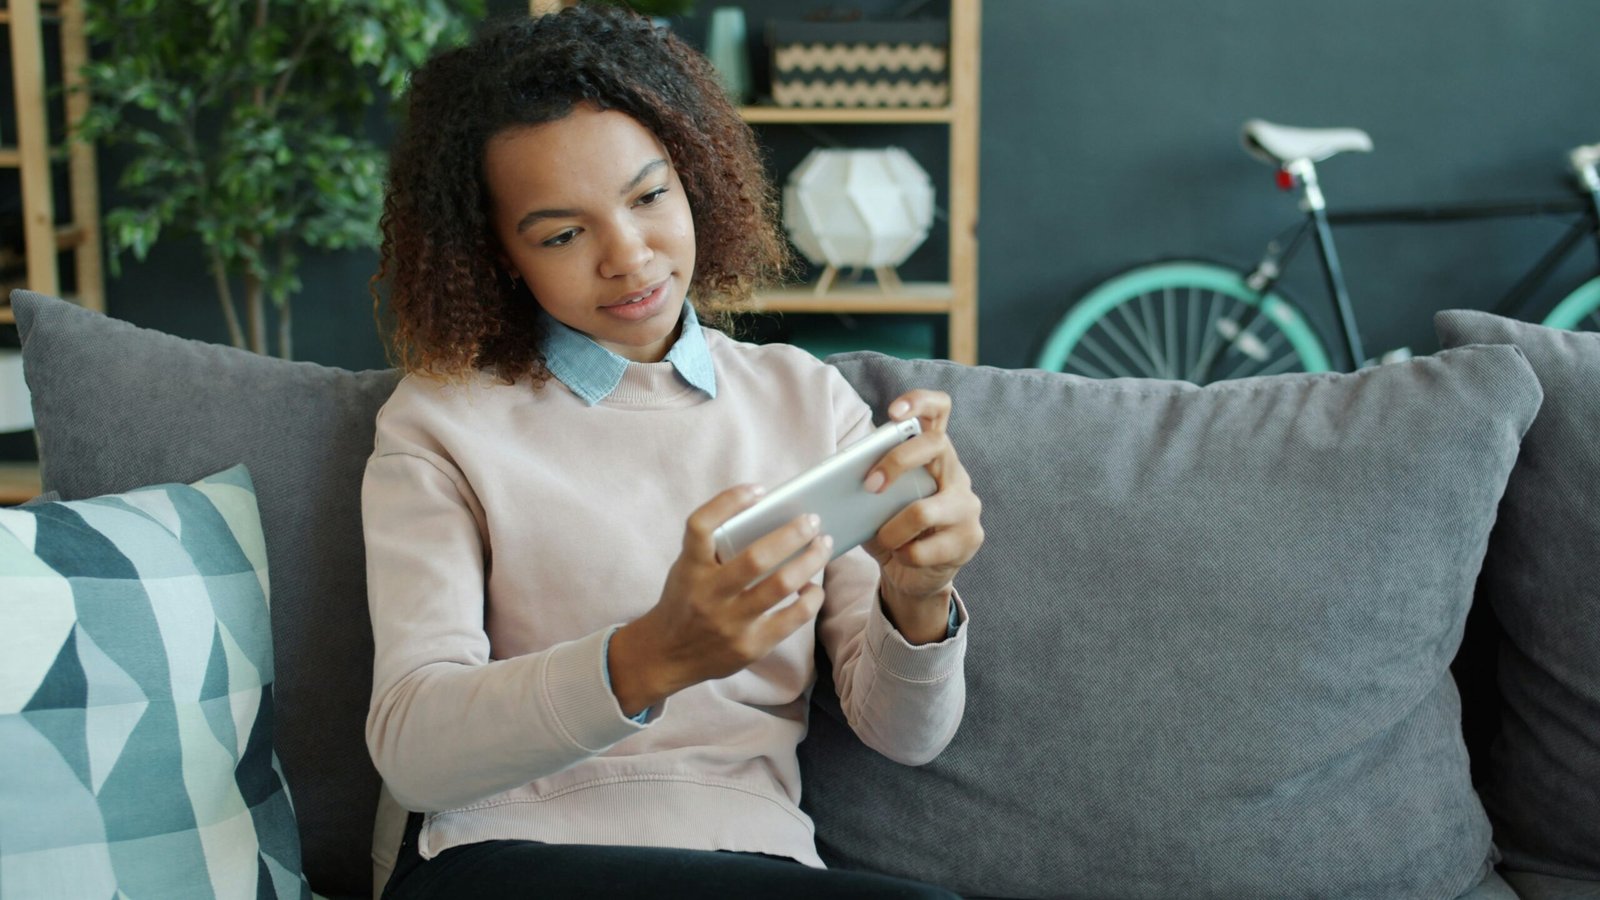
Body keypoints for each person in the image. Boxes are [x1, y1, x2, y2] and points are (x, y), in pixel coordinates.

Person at [362, 6, 984, 898]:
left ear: (693, 181)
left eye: (649, 196)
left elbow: (907, 733)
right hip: (508, 857)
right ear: (499, 256)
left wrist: (918, 593)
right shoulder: (440, 423)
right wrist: (655, 654)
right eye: (562, 235)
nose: (629, 256)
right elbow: (414, 752)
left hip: (751, 856)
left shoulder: (808, 403)